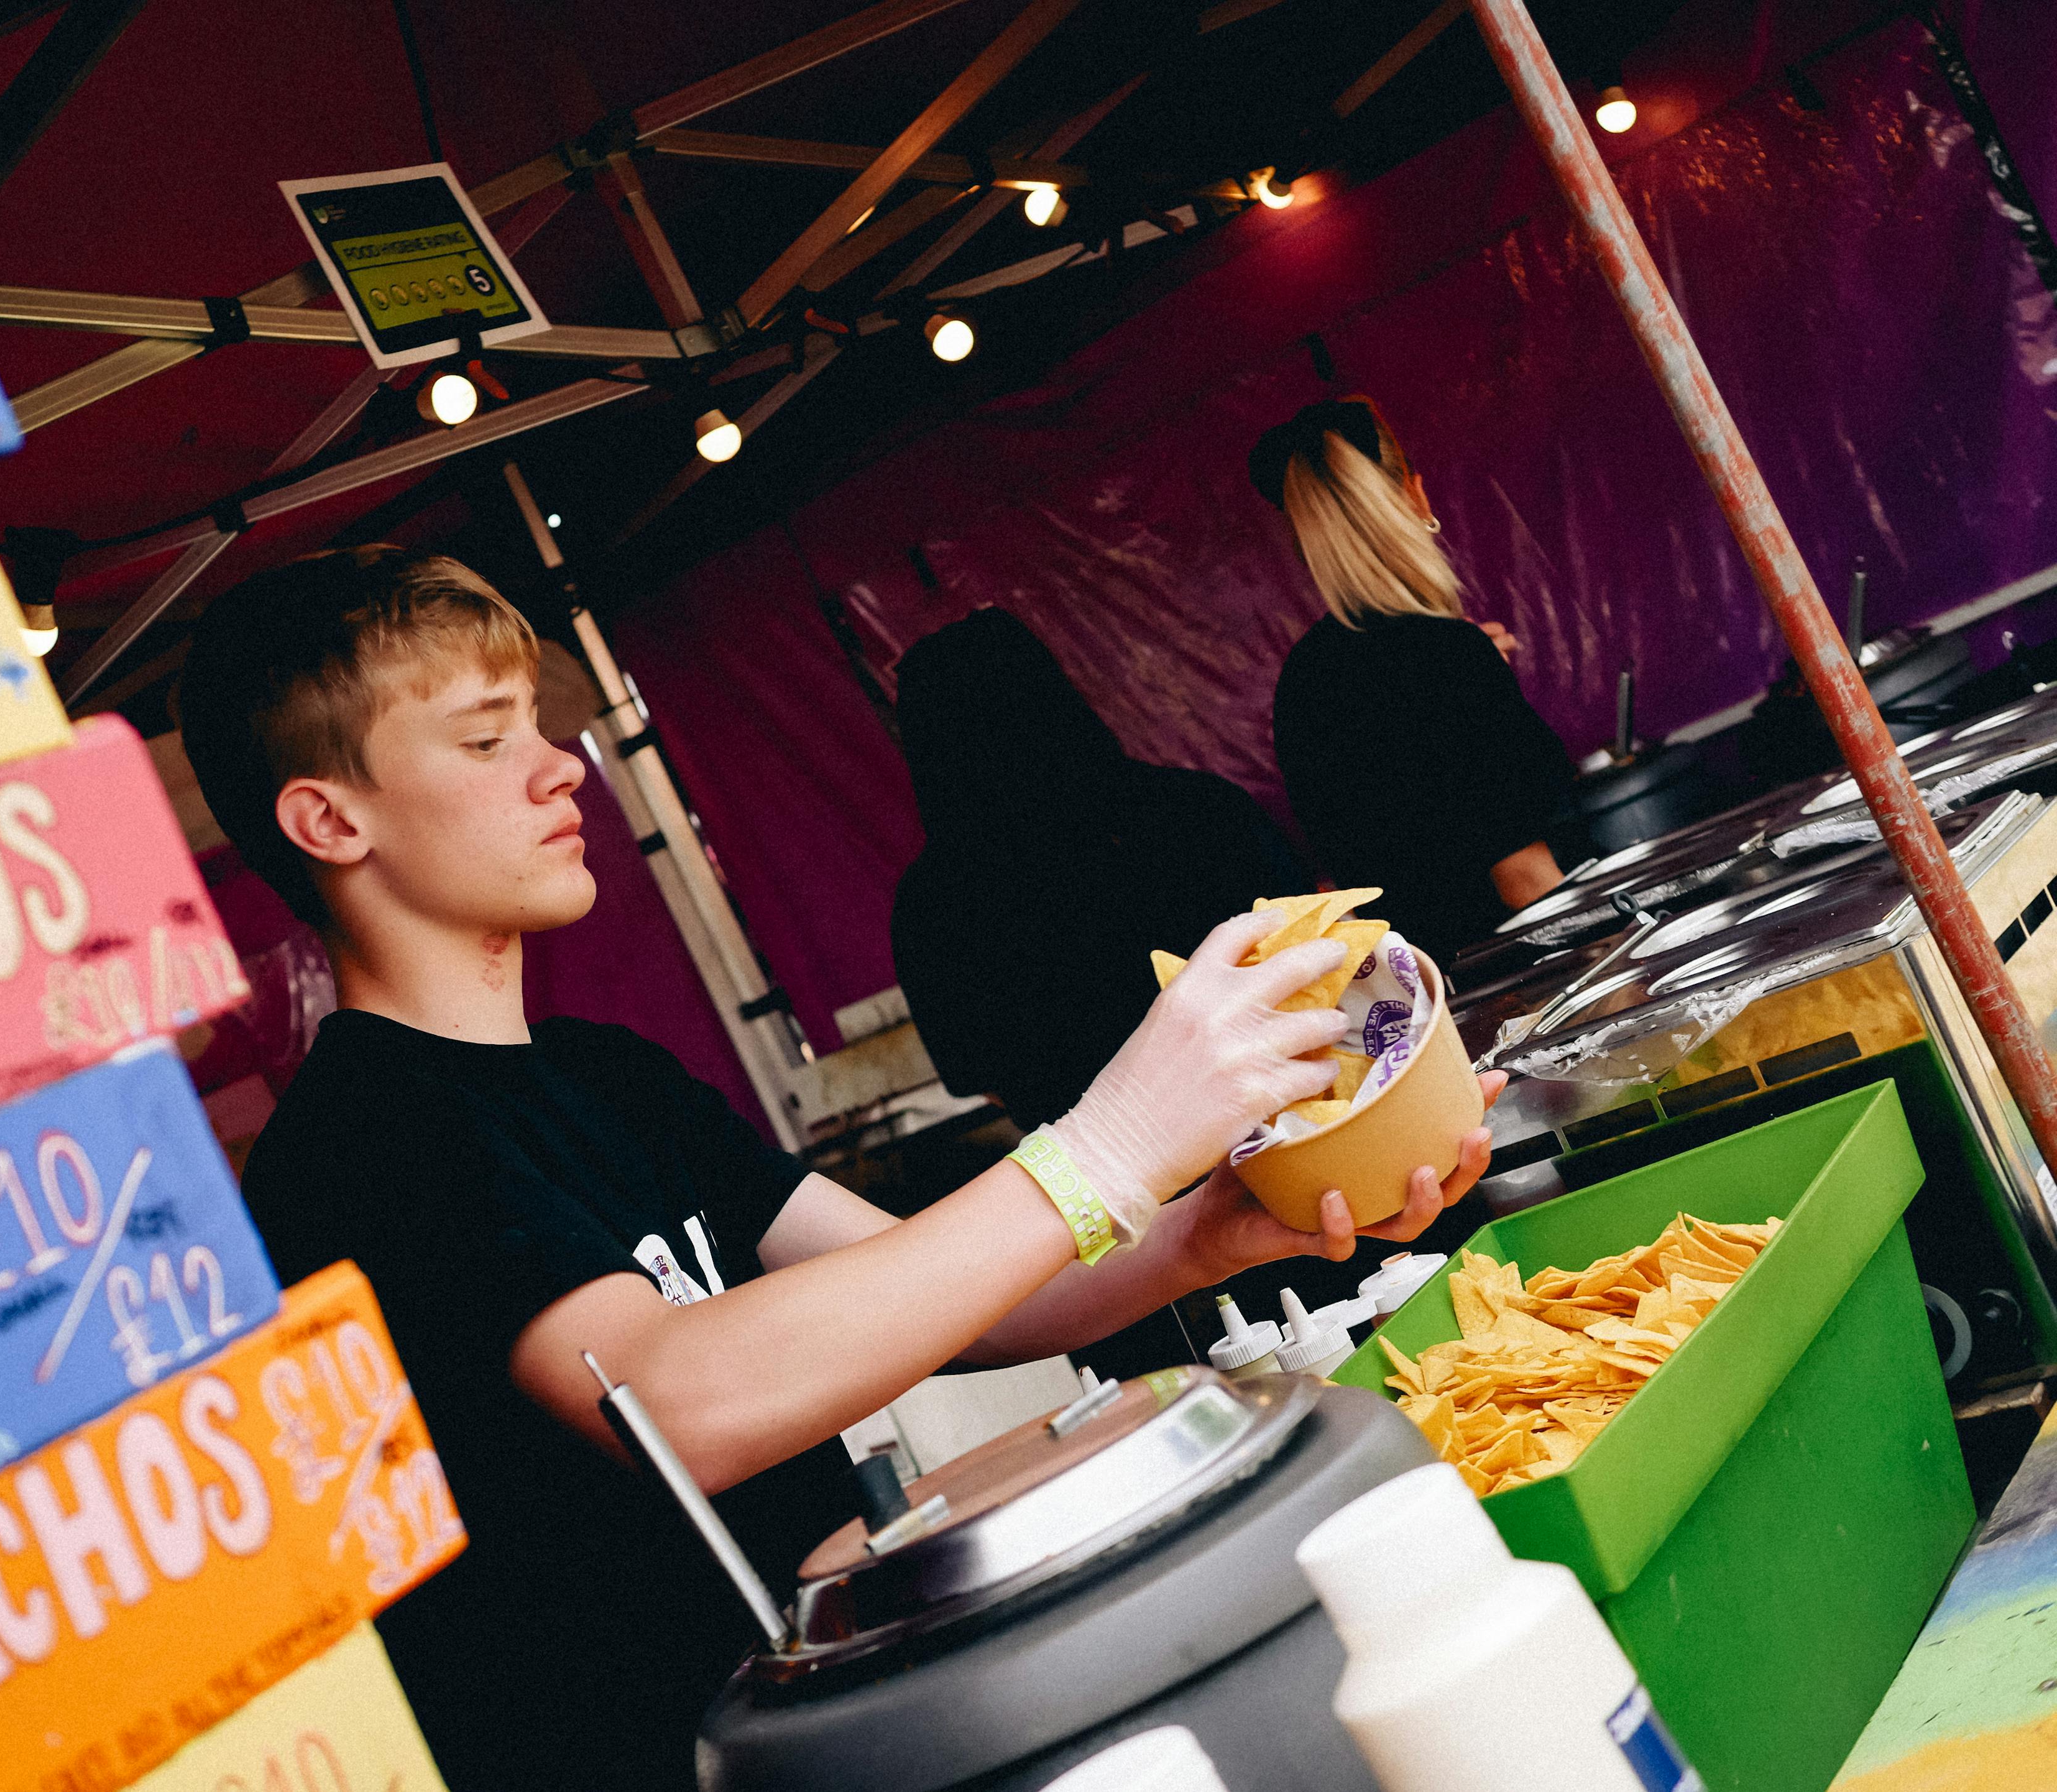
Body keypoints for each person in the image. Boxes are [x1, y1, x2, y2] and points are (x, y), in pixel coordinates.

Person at [175, 546, 1499, 1791]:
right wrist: (1105, 1142)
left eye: (537, 720)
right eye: (483, 738)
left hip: (830, 1718)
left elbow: (954, 1299)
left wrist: (1206, 1228)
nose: (559, 765)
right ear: (328, 818)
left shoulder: (608, 1071)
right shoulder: (365, 1140)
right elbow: (670, 1397)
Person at [888, 607, 1314, 1372]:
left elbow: (982, 1082)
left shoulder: (931, 909)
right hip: (1290, 1175)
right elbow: (1314, 977)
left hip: (1108, 1263)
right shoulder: (1202, 815)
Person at [1258, 398, 1578, 962]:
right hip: (1528, 981)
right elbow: (1526, 880)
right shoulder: (1450, 656)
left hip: (1429, 1001)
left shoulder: (1302, 684)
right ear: (1414, 495)